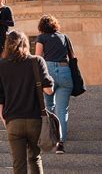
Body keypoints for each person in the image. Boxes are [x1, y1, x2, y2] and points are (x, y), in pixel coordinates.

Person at [0, 31, 54, 174]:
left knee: (18, 163)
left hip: (13, 120)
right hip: (35, 119)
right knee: (35, 158)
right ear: (25, 44)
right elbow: (49, 90)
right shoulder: (36, 61)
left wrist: (4, 119)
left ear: (6, 45)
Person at [35, 14, 73, 154]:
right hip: (65, 71)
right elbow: (72, 56)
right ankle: (60, 143)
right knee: (62, 110)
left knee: (48, 106)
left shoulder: (42, 38)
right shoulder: (64, 37)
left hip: (48, 71)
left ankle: (49, 138)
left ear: (41, 27)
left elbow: (38, 57)